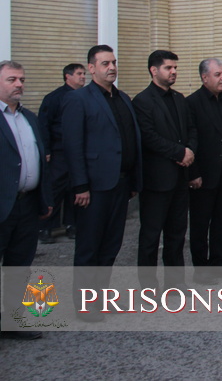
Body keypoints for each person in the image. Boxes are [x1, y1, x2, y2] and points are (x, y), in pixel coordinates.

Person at [63, 45, 142, 321]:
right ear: (92, 68)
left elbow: (130, 141)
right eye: (105, 63)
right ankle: (84, 305)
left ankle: (101, 298)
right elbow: (73, 146)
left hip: (120, 185)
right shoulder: (79, 100)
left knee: (111, 246)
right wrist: (80, 186)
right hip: (94, 187)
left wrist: (134, 179)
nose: (112, 67)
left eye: (114, 62)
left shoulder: (122, 99)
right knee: (89, 247)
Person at [132, 50, 197, 288]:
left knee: (177, 235)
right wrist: (179, 153)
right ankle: (148, 287)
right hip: (157, 180)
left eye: (175, 68)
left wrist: (189, 150)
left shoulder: (180, 99)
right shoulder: (142, 101)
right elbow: (148, 137)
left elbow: (191, 130)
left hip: (180, 177)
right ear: (153, 70)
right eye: (169, 68)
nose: (174, 72)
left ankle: (175, 285)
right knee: (150, 236)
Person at [0, 60, 53, 340]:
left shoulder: (29, 118)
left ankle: (12, 320)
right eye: (11, 79)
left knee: (19, 266)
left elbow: (39, 161)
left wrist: (43, 198)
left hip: (27, 204)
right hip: (2, 205)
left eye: (21, 79)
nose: (19, 84)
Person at [187, 59, 222, 282]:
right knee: (201, 222)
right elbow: (192, 140)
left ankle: (218, 262)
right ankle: (201, 269)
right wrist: (193, 173)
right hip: (204, 173)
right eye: (218, 74)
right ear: (204, 77)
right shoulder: (192, 103)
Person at [36, 62, 85, 244]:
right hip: (58, 152)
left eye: (83, 73)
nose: (83, 77)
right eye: (79, 73)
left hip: (77, 151)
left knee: (75, 188)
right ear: (68, 76)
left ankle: (73, 225)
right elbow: (44, 125)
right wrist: (46, 150)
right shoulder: (54, 98)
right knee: (55, 189)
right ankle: (46, 228)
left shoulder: (84, 97)